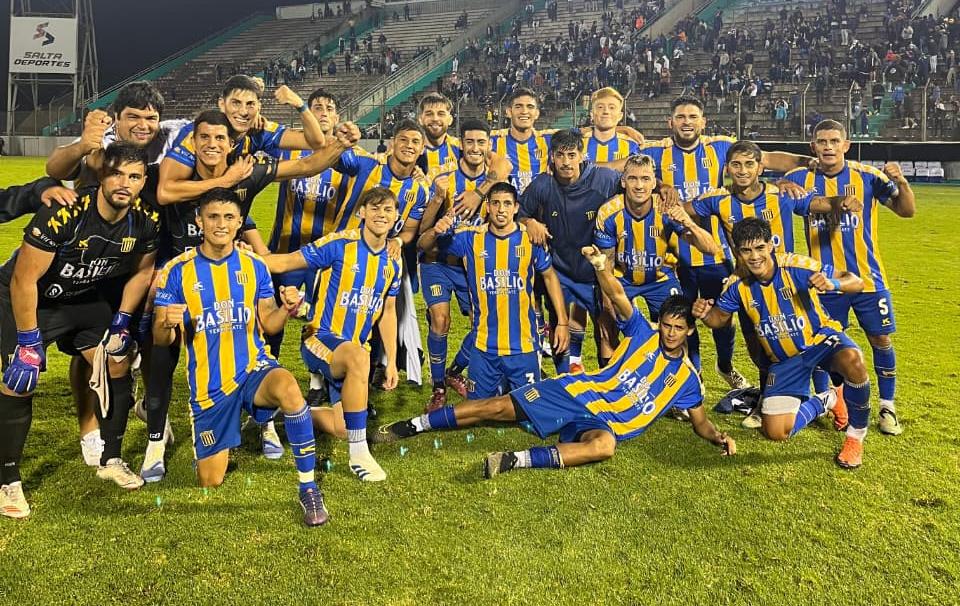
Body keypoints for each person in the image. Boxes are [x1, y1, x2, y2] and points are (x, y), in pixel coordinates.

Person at [371, 247, 735, 477]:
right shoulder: (643, 332)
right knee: (495, 408)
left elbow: (700, 422)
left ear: (689, 331)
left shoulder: (687, 379)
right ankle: (413, 425)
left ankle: (514, 460)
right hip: (576, 393)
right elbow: (618, 295)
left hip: (604, 424)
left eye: (678, 328)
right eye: (667, 325)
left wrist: (718, 437)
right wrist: (600, 267)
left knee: (604, 448)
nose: (670, 333)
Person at [138, 111, 358, 482]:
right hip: (176, 281)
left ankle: (272, 429)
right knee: (162, 363)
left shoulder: (248, 177)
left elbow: (306, 164)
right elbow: (160, 193)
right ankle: (156, 441)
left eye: (219, 138)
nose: (212, 145)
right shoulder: (174, 174)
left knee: (272, 360)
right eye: (204, 137)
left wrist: (339, 144)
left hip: (236, 281)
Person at [0, 142, 159, 518]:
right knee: (18, 381)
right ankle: (8, 480)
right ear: (102, 175)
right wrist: (28, 341)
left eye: (134, 176)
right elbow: (23, 279)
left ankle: (111, 459)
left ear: (143, 181)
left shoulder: (145, 219)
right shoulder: (65, 212)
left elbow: (142, 272)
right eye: (117, 174)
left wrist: (121, 320)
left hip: (82, 298)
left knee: (116, 360)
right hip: (28, 300)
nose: (124, 183)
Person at [152, 188, 327, 526]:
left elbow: (269, 322)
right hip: (211, 385)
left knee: (289, 388)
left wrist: (286, 308)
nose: (221, 224)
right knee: (210, 480)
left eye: (229, 217)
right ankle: (244, 426)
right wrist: (164, 323)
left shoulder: (254, 265)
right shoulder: (176, 271)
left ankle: (308, 488)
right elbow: (162, 340)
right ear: (199, 221)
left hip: (252, 367)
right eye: (213, 217)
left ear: (239, 223)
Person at [637, 96, 810, 389]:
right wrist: (661, 184)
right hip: (675, 257)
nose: (687, 122)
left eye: (693, 116)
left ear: (703, 122)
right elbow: (628, 168)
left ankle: (726, 366)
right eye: (681, 117)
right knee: (683, 318)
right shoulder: (655, 151)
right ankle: (694, 372)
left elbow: (766, 158)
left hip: (716, 255)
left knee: (723, 317)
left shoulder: (720, 147)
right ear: (670, 122)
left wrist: (804, 164)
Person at [693, 218, 869, 469]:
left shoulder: (796, 265)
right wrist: (704, 313)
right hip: (785, 361)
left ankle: (855, 437)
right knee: (776, 432)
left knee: (854, 361)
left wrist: (834, 283)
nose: (754, 257)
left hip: (820, 340)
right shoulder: (736, 285)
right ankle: (828, 399)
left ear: (771, 245)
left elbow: (856, 281)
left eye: (760, 248)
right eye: (746, 250)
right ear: (738, 252)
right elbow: (718, 319)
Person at [784, 119, 915, 436]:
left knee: (880, 339)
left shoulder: (867, 176)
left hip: (869, 279)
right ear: (813, 146)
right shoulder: (799, 178)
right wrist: (782, 183)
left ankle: (887, 406)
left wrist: (902, 182)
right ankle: (832, 402)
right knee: (823, 342)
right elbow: (780, 193)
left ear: (846, 145)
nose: (828, 146)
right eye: (822, 141)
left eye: (834, 141)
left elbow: (906, 210)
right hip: (825, 281)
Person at [264, 187, 403, 483]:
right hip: (320, 338)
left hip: (354, 353)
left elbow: (388, 312)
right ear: (361, 212)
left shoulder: (394, 261)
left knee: (342, 427)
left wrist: (392, 361)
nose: (381, 214)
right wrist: (240, 256)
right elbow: (286, 262)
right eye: (374, 208)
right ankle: (359, 454)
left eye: (388, 209)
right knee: (359, 358)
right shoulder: (340, 244)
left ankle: (290, 412)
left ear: (396, 217)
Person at [420, 182, 569, 400]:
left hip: (523, 347)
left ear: (516, 208)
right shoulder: (470, 239)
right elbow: (424, 246)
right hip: (483, 349)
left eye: (507, 204)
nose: (501, 210)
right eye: (496, 203)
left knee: (530, 410)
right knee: (477, 408)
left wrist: (562, 322)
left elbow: (550, 276)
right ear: (487, 207)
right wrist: (435, 231)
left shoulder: (529, 239)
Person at [415, 119, 512, 410]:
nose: (475, 148)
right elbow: (423, 231)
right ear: (461, 145)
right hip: (437, 262)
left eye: (481, 142)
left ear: (488, 146)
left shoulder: (495, 180)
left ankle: (454, 370)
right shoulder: (444, 178)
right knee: (440, 320)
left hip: (473, 266)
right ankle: (438, 387)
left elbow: (504, 165)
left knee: (483, 323)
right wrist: (437, 203)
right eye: (469, 142)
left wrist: (479, 192)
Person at [519, 129, 622, 373]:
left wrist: (663, 187)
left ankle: (607, 380)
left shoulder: (604, 179)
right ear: (551, 157)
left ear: (582, 155)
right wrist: (529, 222)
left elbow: (635, 184)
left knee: (607, 324)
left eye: (572, 155)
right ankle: (564, 378)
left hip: (594, 271)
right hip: (560, 271)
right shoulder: (542, 185)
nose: (566, 162)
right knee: (559, 324)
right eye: (560, 155)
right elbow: (518, 214)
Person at [158, 76, 327, 204]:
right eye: (236, 103)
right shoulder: (198, 136)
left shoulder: (259, 131)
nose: (244, 112)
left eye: (250, 104)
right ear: (222, 104)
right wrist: (225, 181)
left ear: (259, 107)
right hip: (183, 215)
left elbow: (316, 142)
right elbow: (165, 193)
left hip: (224, 210)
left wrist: (299, 105)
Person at [594, 154, 719, 325]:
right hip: (622, 279)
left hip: (660, 279)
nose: (639, 186)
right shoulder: (608, 212)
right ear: (623, 182)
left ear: (654, 183)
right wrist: (607, 305)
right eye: (632, 178)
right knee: (609, 327)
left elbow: (711, 249)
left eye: (645, 179)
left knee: (676, 325)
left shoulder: (666, 208)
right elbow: (606, 264)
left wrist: (690, 223)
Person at [581, 87, 642, 163]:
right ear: (592, 114)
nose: (606, 111)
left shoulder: (631, 146)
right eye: (600, 107)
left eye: (612, 107)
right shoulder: (578, 144)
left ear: (620, 116)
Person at [417, 92, 461, 174]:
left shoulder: (461, 149)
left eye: (441, 114)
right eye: (429, 114)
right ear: (420, 119)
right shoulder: (410, 150)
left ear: (450, 120)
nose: (435, 119)